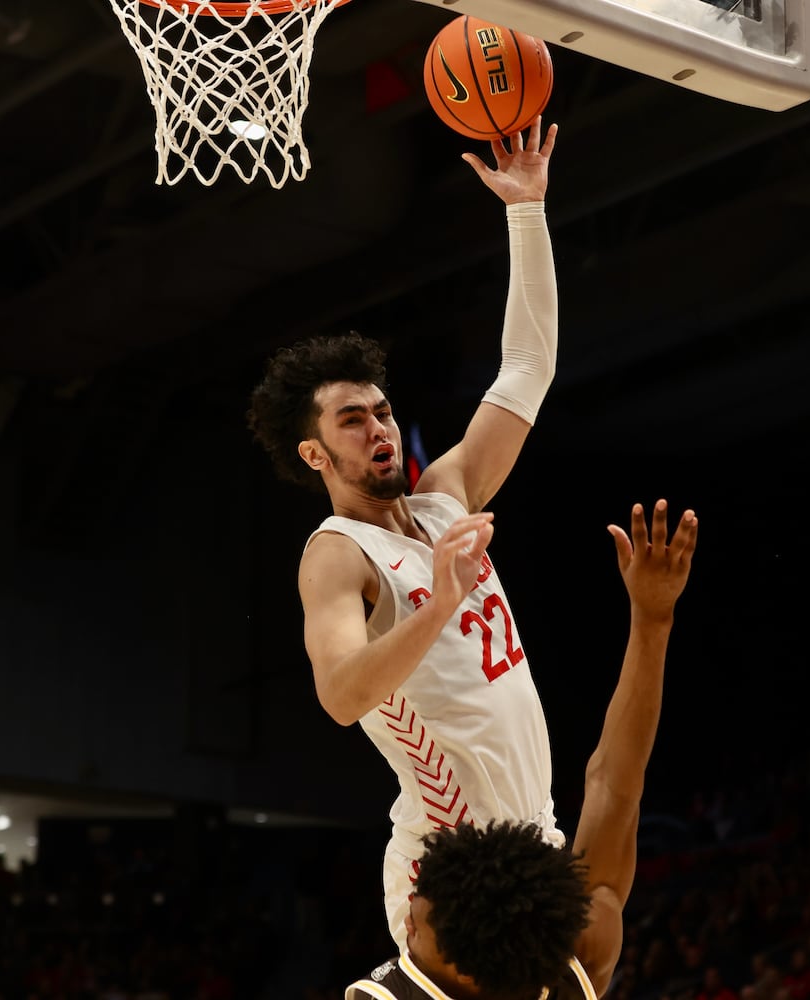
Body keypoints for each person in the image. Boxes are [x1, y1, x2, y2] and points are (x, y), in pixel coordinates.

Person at [246, 117, 560, 949]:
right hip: (451, 859)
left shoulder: (445, 495)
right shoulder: (337, 556)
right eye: (353, 421)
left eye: (382, 411)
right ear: (315, 451)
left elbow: (527, 370)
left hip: (536, 836)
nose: (379, 429)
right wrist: (439, 602)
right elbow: (342, 695)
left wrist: (524, 212)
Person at [346, 499, 698, 999]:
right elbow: (615, 787)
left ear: (457, 966)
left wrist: (652, 620)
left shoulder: (391, 997)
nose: (413, 898)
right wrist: (653, 619)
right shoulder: (574, 956)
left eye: (420, 900)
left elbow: (615, 791)